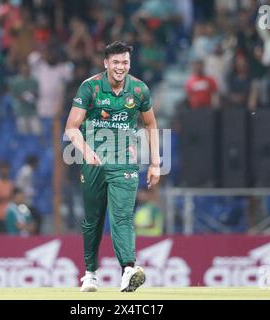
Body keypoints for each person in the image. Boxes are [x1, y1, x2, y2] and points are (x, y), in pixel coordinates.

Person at [65, 41, 161, 292]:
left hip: (124, 162)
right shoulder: (90, 87)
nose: (121, 67)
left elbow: (150, 125)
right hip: (93, 162)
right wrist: (86, 152)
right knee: (93, 219)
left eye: (125, 62)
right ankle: (90, 274)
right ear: (106, 63)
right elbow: (71, 127)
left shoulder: (139, 90)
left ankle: (128, 269)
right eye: (116, 62)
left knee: (122, 216)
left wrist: (155, 163)